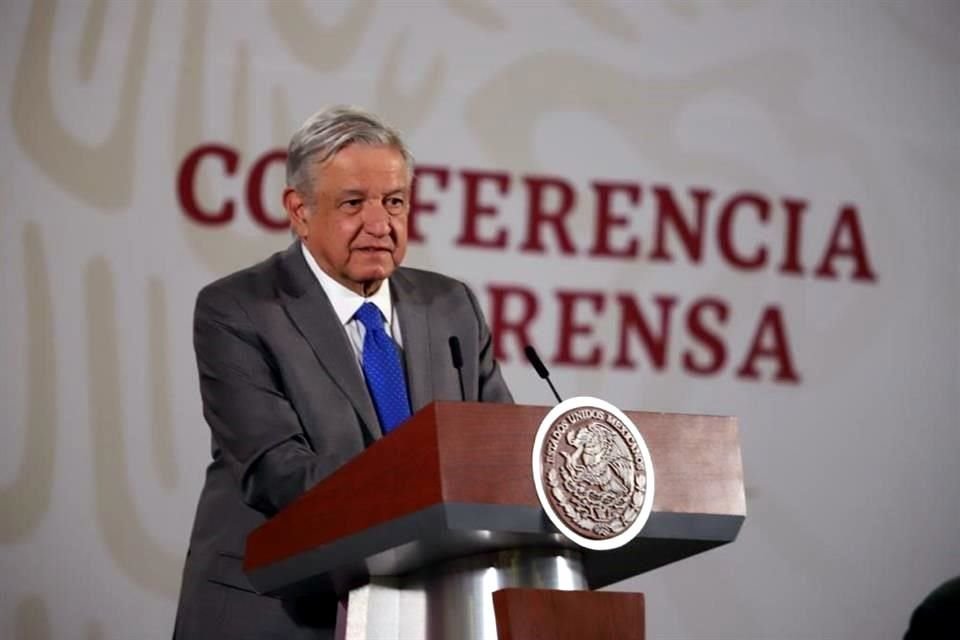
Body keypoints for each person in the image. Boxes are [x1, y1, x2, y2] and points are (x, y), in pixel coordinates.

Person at [173, 106, 513, 639]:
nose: (380, 225)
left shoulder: (451, 307)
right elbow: (276, 470)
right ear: (299, 210)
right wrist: (423, 502)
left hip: (426, 612)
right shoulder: (238, 309)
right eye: (354, 203)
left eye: (395, 202)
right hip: (282, 613)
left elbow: (499, 451)